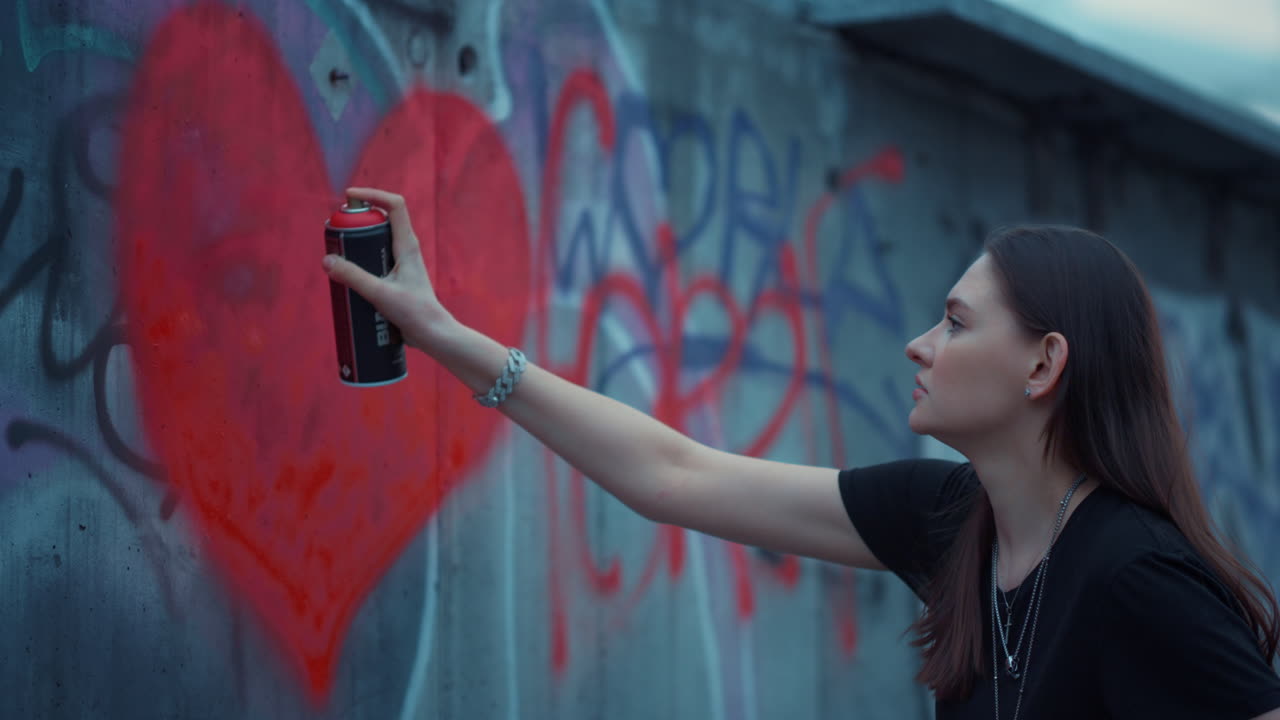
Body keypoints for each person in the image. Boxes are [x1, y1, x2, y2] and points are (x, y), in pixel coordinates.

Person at [321, 187, 1280, 719]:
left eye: (953, 322)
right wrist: (443, 336)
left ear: (1044, 363)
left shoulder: (1138, 577)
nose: (919, 344)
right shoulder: (949, 520)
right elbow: (674, 476)